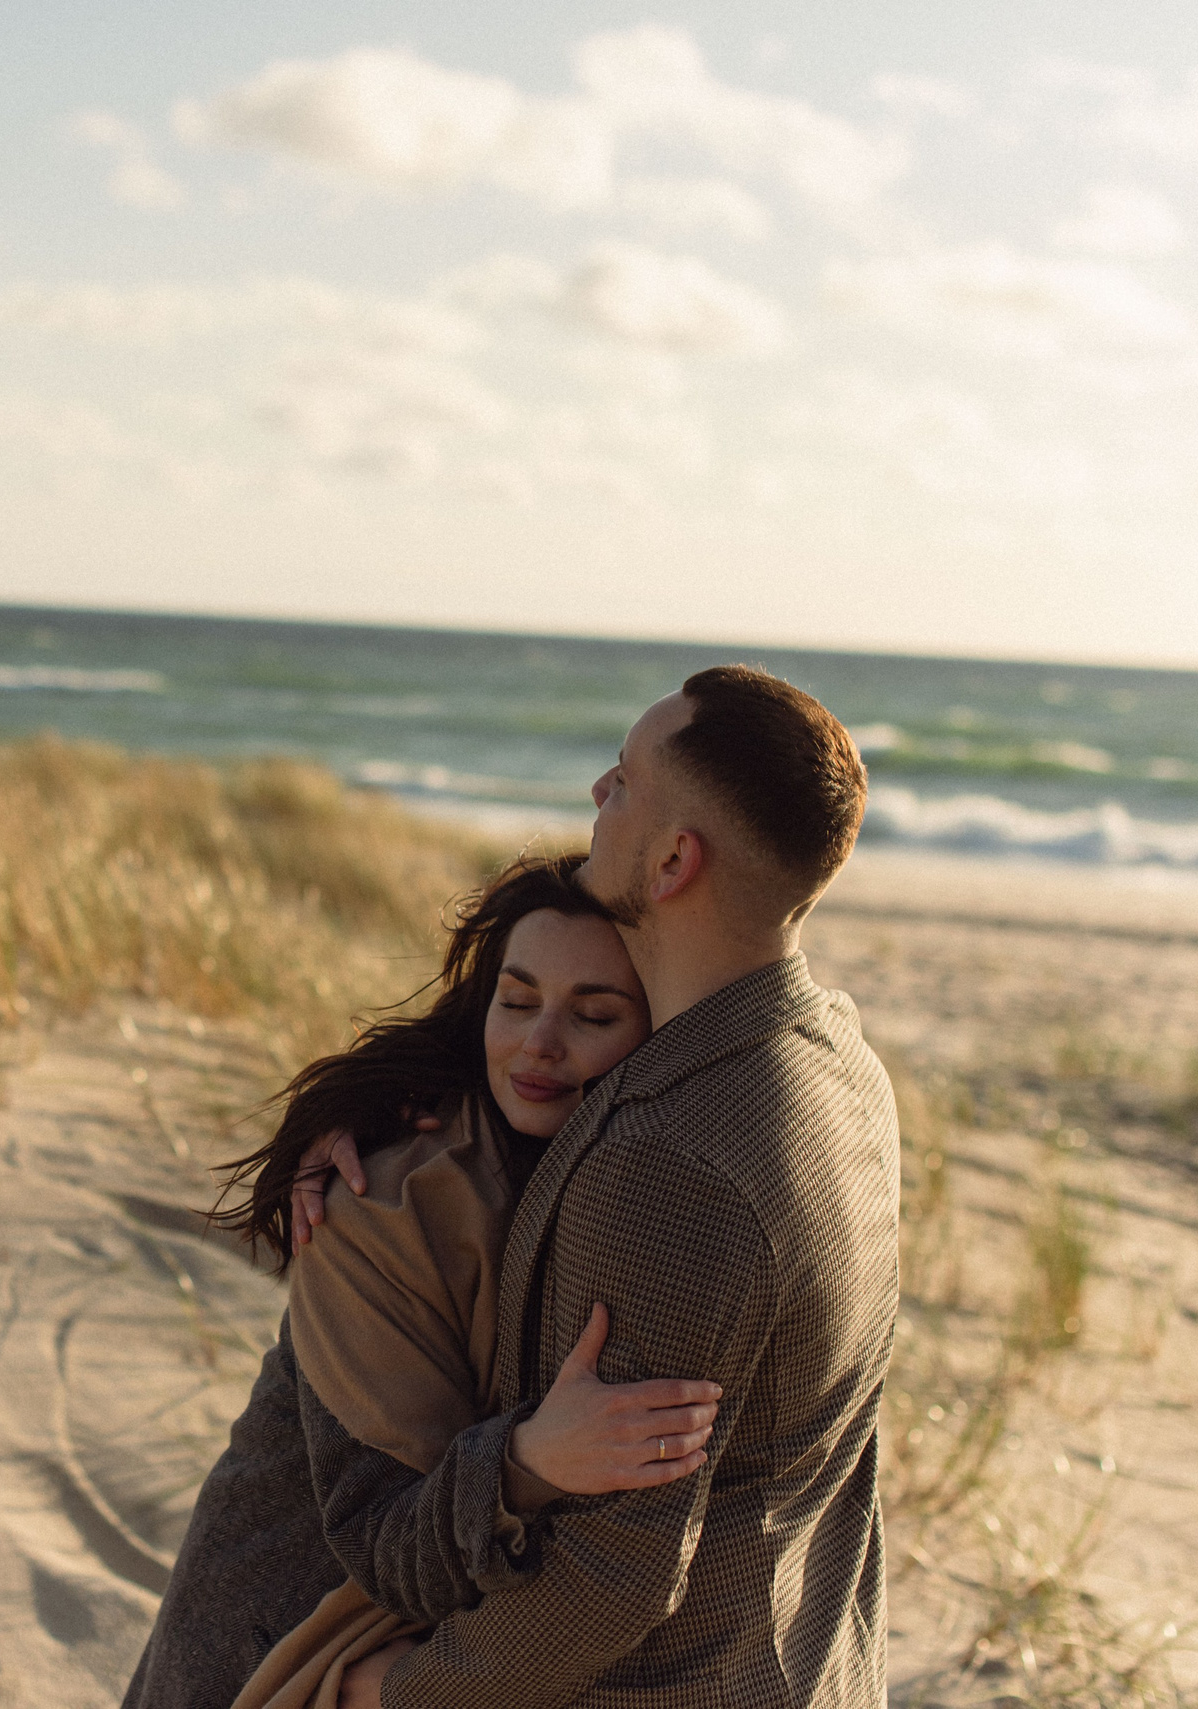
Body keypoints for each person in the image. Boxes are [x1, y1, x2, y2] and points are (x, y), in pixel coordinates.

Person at [300, 664, 898, 1709]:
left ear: (672, 860)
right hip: (814, 1667)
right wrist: (387, 1104)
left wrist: (408, 1690)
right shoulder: (838, 1059)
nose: (596, 795)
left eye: (622, 780)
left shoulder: (670, 1161)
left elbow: (613, 1567)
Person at [121, 855, 724, 1709]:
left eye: (593, 1014)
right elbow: (384, 1535)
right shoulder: (383, 1194)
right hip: (274, 1626)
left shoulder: (623, 1181)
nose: (540, 1043)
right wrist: (529, 1459)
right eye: (515, 1002)